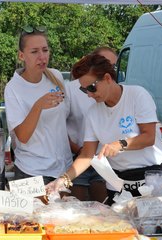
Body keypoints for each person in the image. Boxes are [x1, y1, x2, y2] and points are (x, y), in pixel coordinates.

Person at [48, 53, 162, 205]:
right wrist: (63, 180)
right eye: (85, 90)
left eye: (92, 87)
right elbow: (87, 154)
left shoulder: (137, 95)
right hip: (118, 184)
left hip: (152, 180)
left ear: (107, 78)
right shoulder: (93, 112)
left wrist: (120, 144)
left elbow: (148, 137)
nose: (90, 95)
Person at [4, 26, 72, 186]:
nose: (42, 57)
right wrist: (38, 106)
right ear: (22, 55)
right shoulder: (13, 88)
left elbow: (65, 120)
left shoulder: (55, 76)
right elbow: (23, 136)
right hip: (31, 172)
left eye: (45, 50)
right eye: (34, 52)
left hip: (63, 169)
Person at [65, 46, 118, 202]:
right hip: (80, 154)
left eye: (114, 65)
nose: (89, 94)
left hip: (104, 157)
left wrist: (120, 144)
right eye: (105, 62)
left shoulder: (119, 90)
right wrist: (78, 149)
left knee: (104, 207)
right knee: (78, 207)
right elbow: (60, 126)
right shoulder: (72, 89)